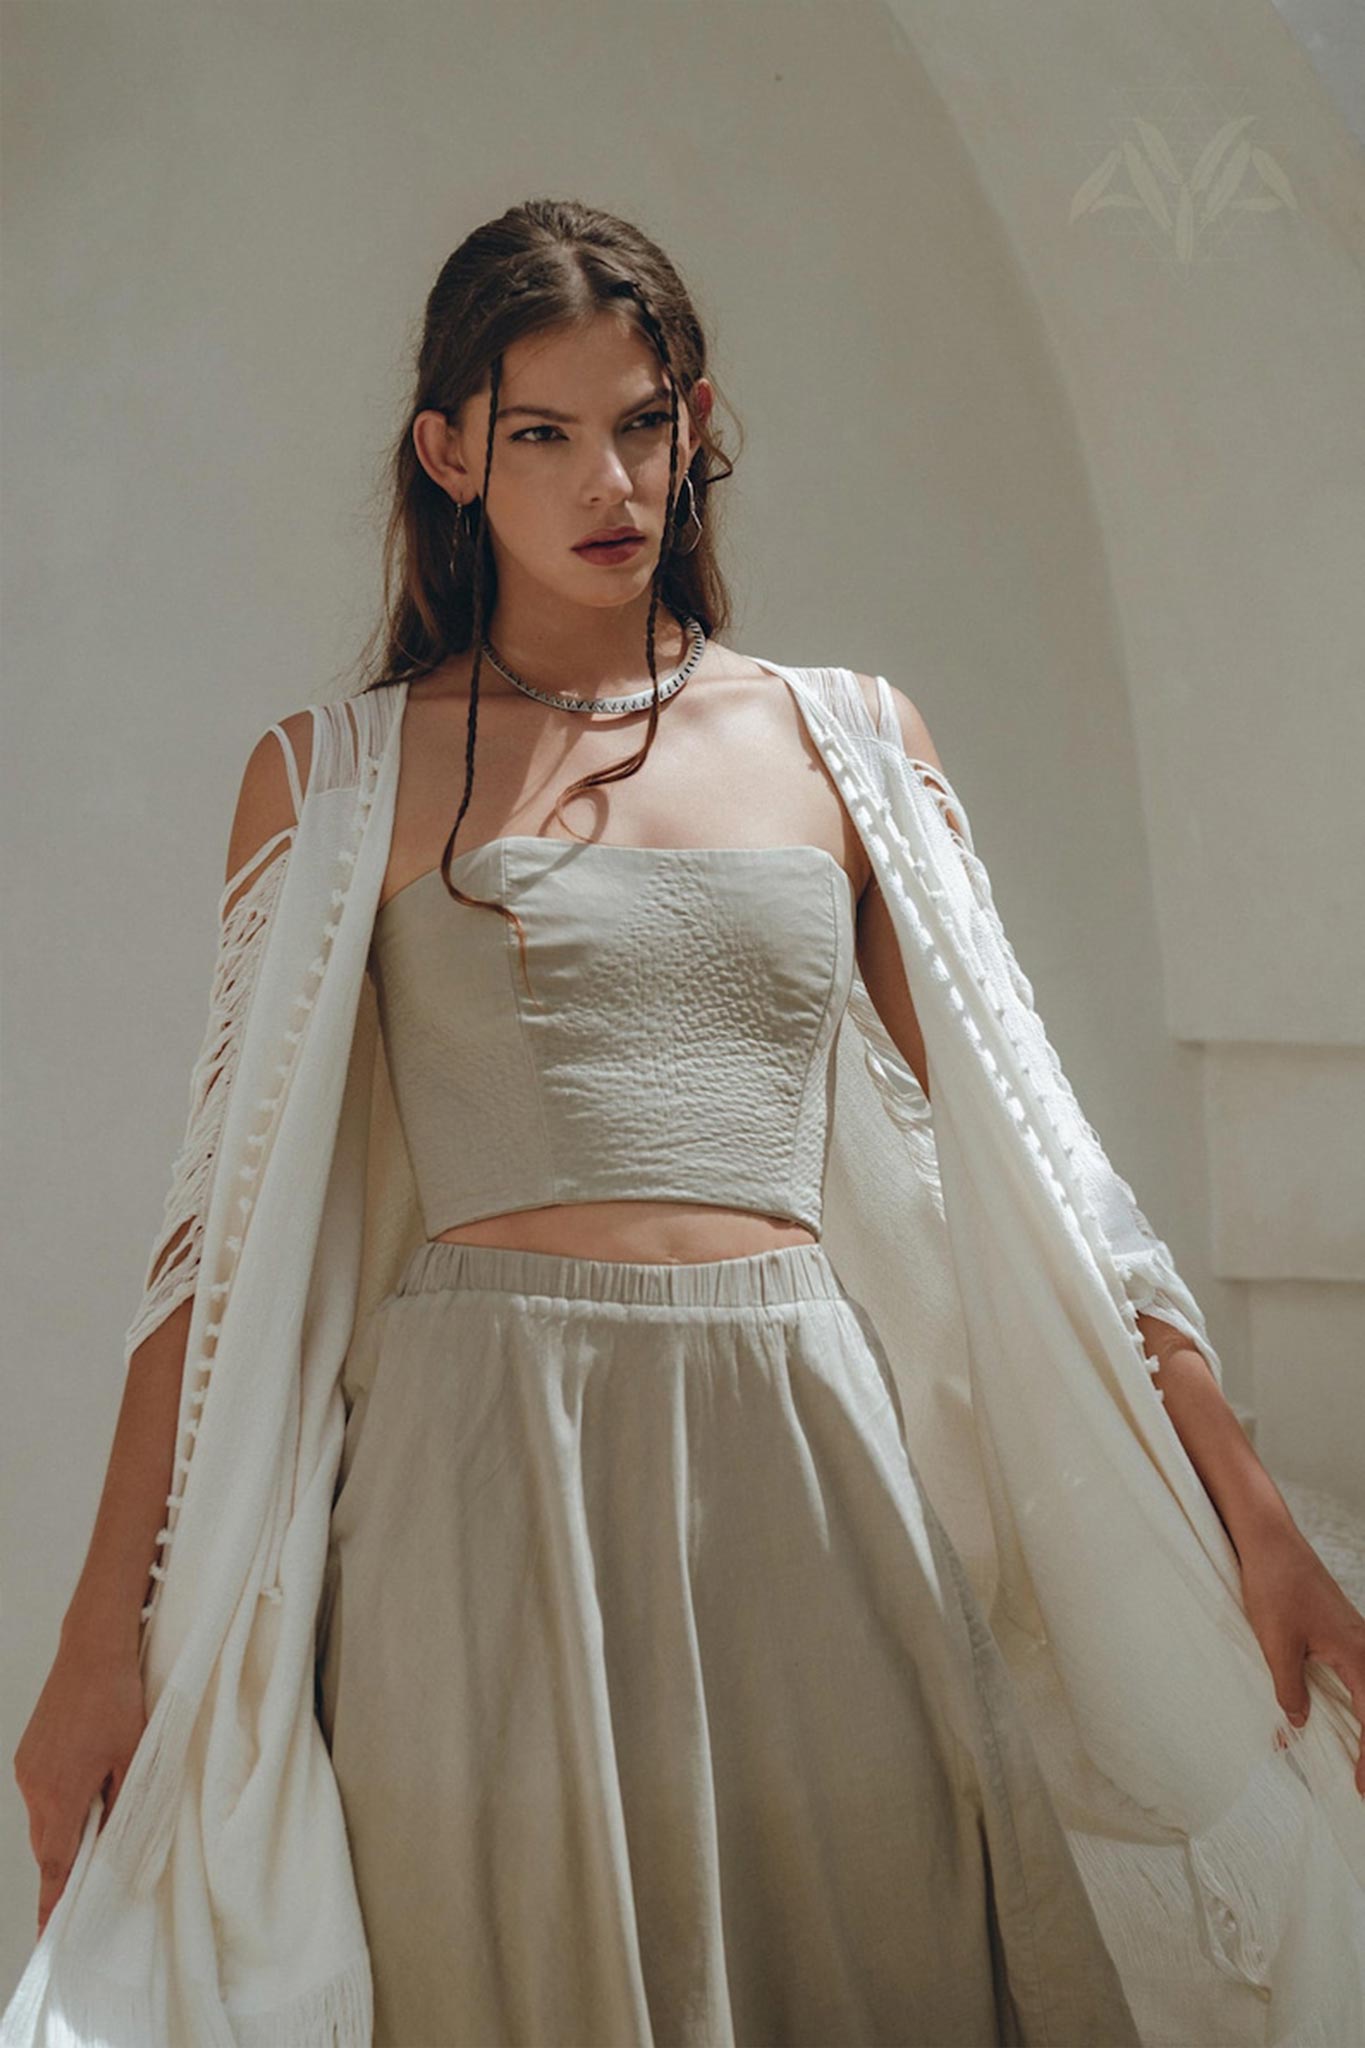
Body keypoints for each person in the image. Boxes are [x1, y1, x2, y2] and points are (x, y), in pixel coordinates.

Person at [9, 200, 1364, 2048]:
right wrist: (103, 1640)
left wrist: (1253, 1513)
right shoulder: (339, 779)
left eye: (640, 424)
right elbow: (214, 1252)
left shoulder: (848, 746)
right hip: (476, 1490)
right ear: (449, 455)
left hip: (801, 1458)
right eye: (544, 432)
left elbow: (1051, 1177)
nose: (606, 480)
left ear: (695, 422)